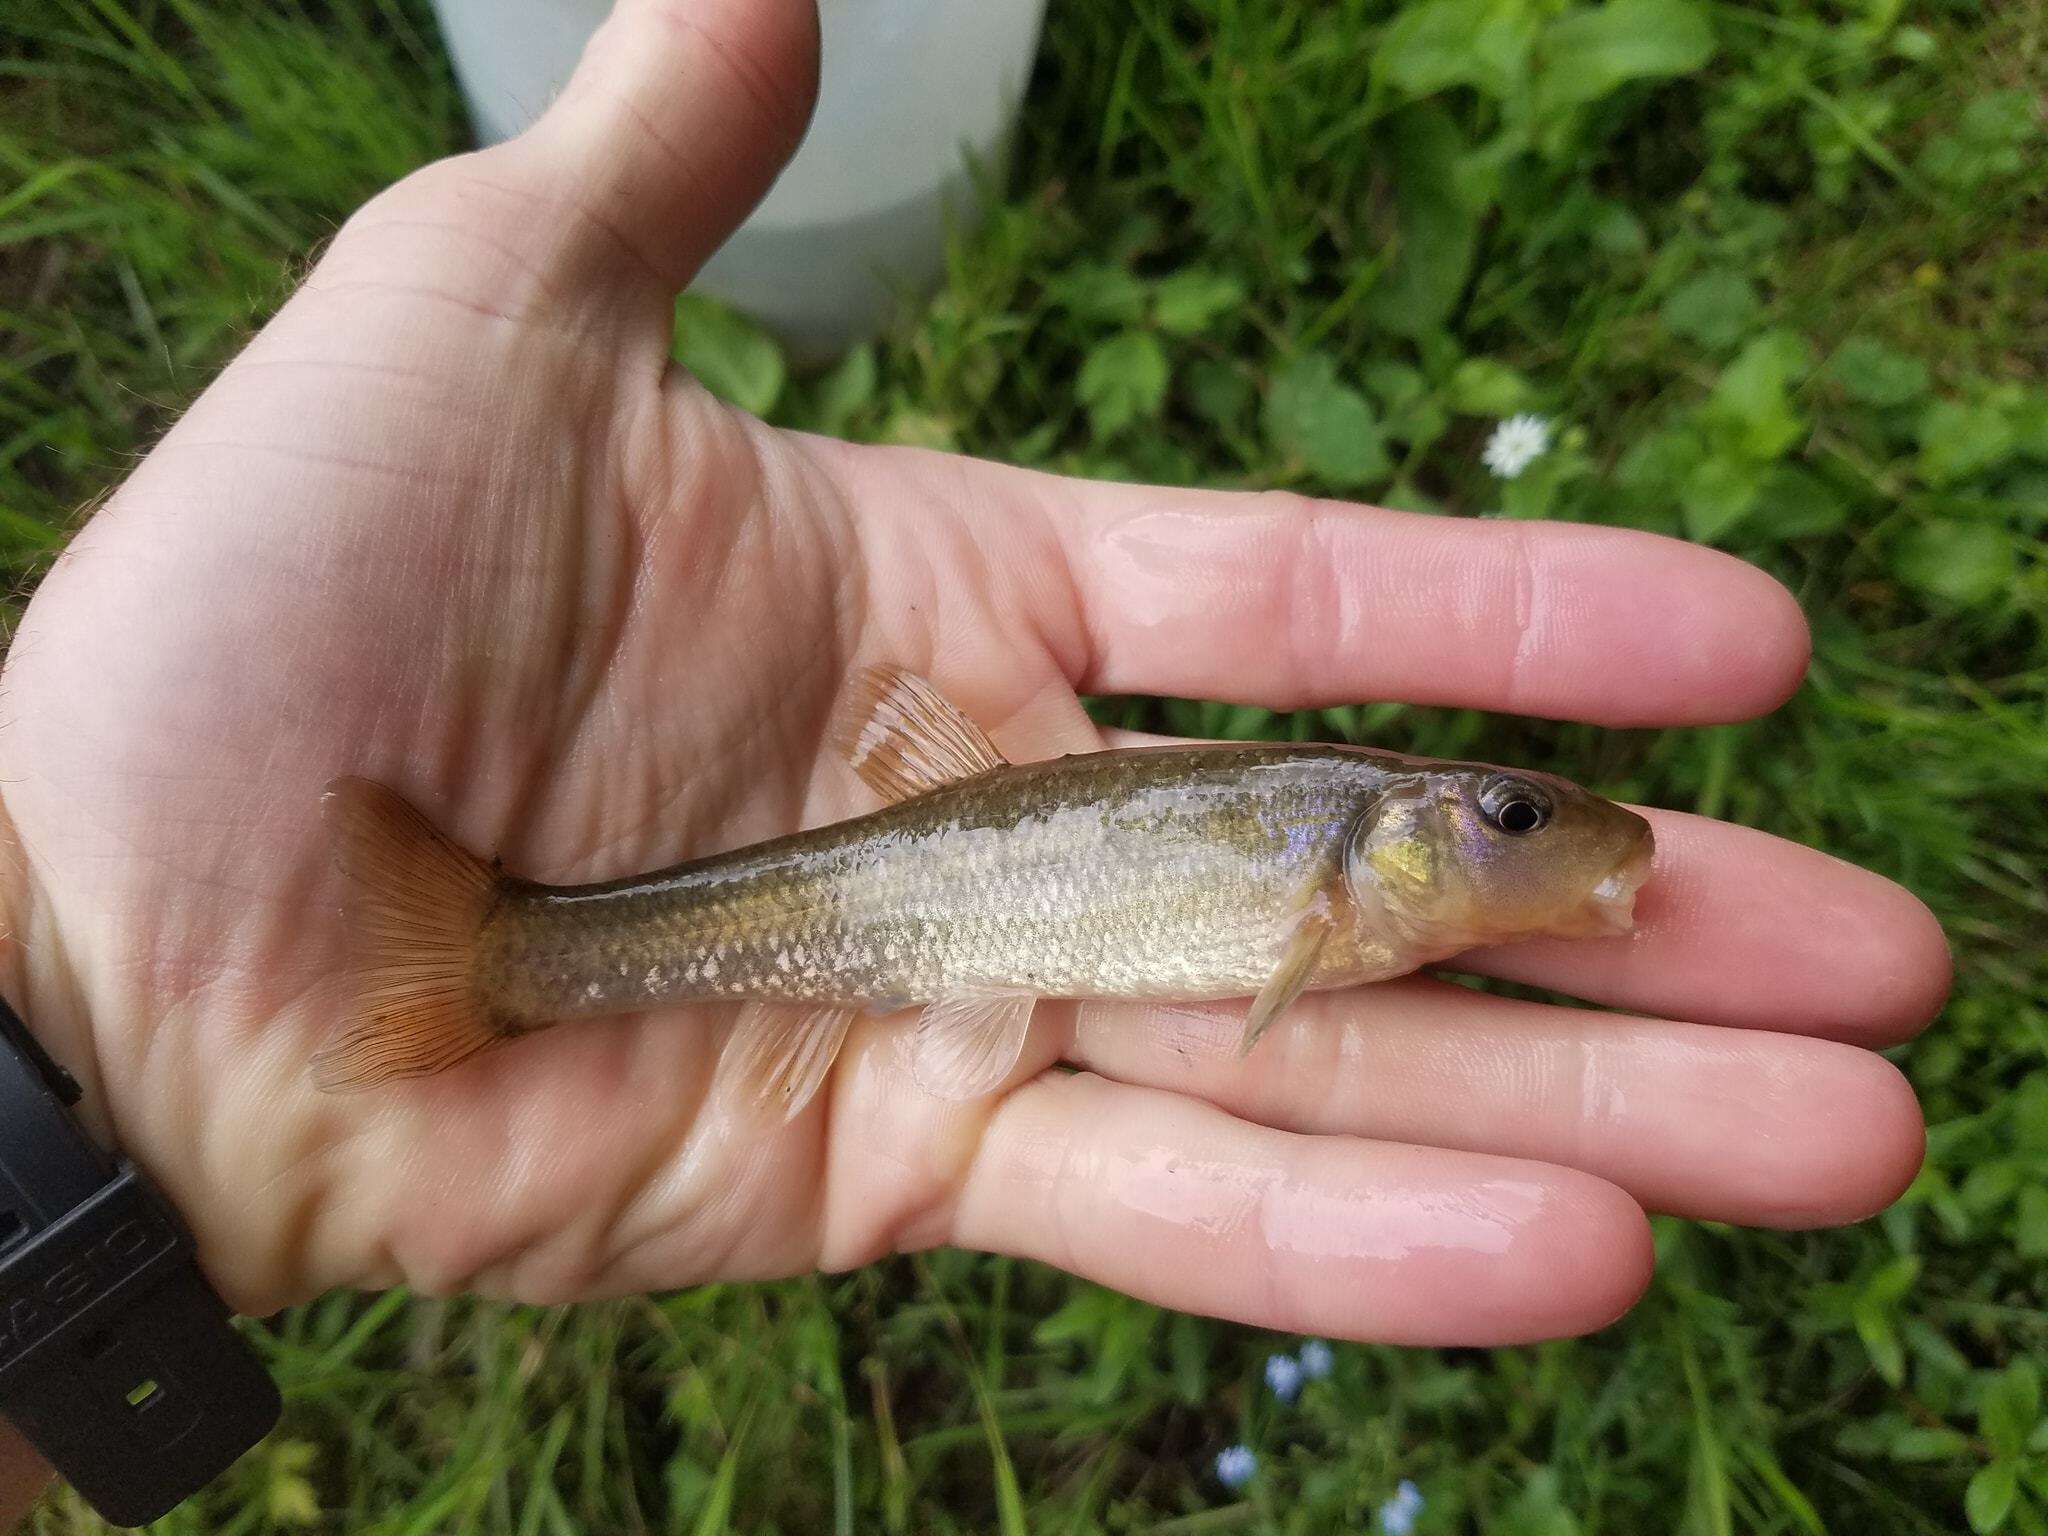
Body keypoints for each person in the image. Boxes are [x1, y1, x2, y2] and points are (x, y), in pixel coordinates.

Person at [0, 0, 1947, 1517]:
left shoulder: (1349, 890)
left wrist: (93, 1018)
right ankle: (509, 957)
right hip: (844, 902)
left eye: (1513, 814)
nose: (1521, 828)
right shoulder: (1341, 863)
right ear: (1415, 839)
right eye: (1508, 816)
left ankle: (498, 963)